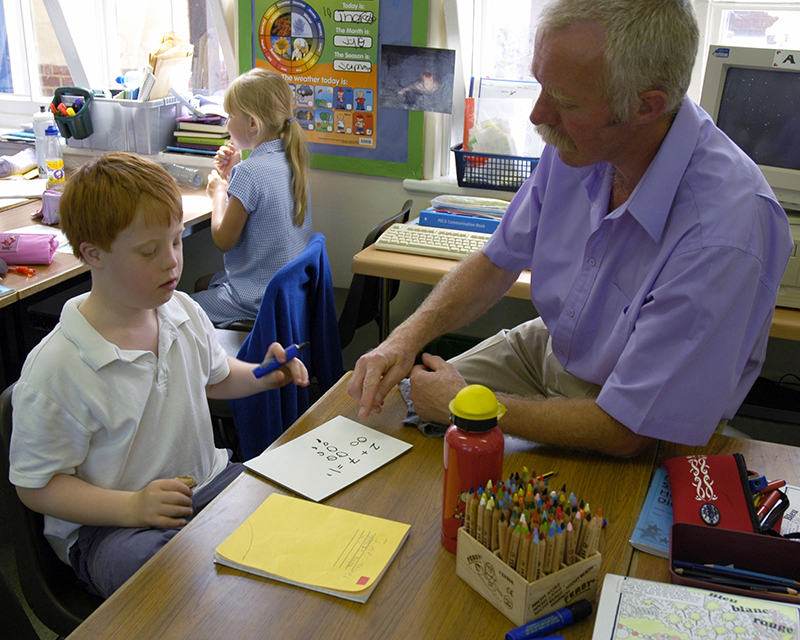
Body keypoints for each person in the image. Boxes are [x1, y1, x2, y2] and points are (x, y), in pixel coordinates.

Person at [349, 0, 794, 458]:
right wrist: (404, 338)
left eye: (563, 101)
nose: (538, 115)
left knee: (466, 463)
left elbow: (630, 427)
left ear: (647, 106)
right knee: (394, 421)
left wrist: (467, 405)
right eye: (542, 86)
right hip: (554, 347)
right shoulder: (581, 142)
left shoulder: (723, 232)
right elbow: (496, 262)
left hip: (635, 420)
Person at [8, 152, 309, 598]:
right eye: (149, 251)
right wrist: (133, 507)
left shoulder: (182, 311)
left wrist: (265, 376)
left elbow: (217, 377)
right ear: (93, 255)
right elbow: (37, 487)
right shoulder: (58, 367)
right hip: (112, 528)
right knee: (175, 580)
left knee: (290, 523)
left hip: (207, 483)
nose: (171, 262)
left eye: (176, 242)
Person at [192, 67, 313, 327]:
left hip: (255, 301)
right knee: (203, 282)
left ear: (252, 124)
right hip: (287, 292)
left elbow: (223, 240)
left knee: (179, 308)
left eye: (229, 116)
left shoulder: (249, 173)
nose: (225, 124)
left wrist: (219, 192)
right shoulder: (291, 158)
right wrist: (235, 167)